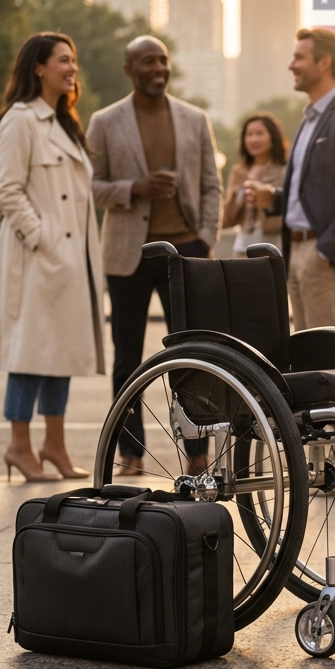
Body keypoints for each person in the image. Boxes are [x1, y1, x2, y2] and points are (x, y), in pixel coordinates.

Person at [88, 36, 221, 476]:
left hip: (185, 250)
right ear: (130, 69)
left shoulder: (194, 118)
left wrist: (203, 238)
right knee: (127, 355)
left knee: (193, 355)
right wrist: (135, 188)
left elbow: (210, 186)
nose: (158, 67)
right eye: (148, 61)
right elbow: (91, 184)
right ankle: (130, 451)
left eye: (163, 59)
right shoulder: (105, 122)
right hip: (129, 252)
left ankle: (198, 453)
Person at [0, 32, 106, 483]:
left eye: (73, 61)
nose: (71, 68)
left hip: (69, 260)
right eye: (62, 61)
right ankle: (18, 445)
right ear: (38, 67)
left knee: (60, 355)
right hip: (37, 258)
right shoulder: (21, 119)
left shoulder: (63, 122)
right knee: (30, 354)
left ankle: (54, 443)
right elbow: (7, 190)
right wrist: (43, 239)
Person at [244, 28, 335, 331]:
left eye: (299, 58)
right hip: (296, 253)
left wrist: (326, 251)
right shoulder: (308, 121)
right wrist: (274, 198)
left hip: (322, 257)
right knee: (306, 357)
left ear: (324, 63)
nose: (291, 65)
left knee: (330, 360)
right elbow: (310, 190)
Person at [222, 113, 287, 255]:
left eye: (259, 133)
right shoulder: (239, 171)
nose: (253, 139)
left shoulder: (285, 170)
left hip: (276, 246)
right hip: (243, 247)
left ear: (273, 136)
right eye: (249, 134)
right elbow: (226, 219)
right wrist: (238, 199)